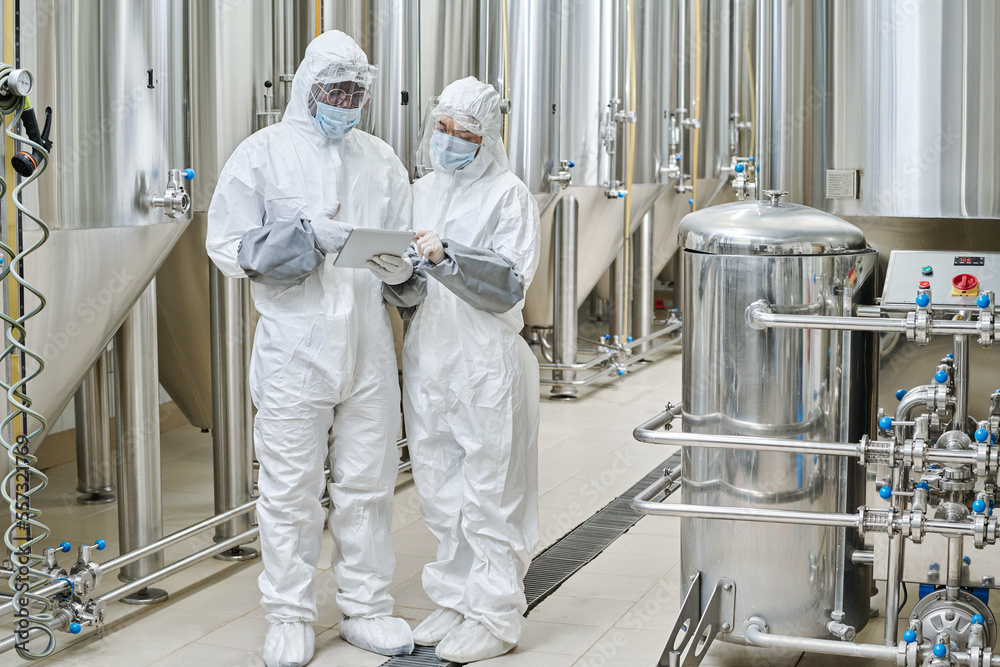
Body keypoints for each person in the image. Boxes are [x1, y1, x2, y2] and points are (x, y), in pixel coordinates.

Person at [206, 31, 415, 667]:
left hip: (370, 348)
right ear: (306, 90)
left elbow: (406, 245)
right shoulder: (261, 154)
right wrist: (302, 237)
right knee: (291, 488)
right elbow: (228, 248)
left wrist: (402, 268)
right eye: (334, 90)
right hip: (295, 347)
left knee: (369, 484)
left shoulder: (381, 159)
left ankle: (367, 606)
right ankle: (291, 615)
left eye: (356, 92)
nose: (345, 102)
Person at [375, 76, 541, 663]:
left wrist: (447, 257)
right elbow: (410, 289)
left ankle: (495, 613)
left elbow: (508, 285)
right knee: (441, 488)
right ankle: (455, 595)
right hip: (431, 357)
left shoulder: (508, 194)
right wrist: (396, 274)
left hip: (488, 362)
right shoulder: (422, 190)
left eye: (463, 133)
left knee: (492, 491)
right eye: (442, 128)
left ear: (486, 137)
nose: (449, 141)